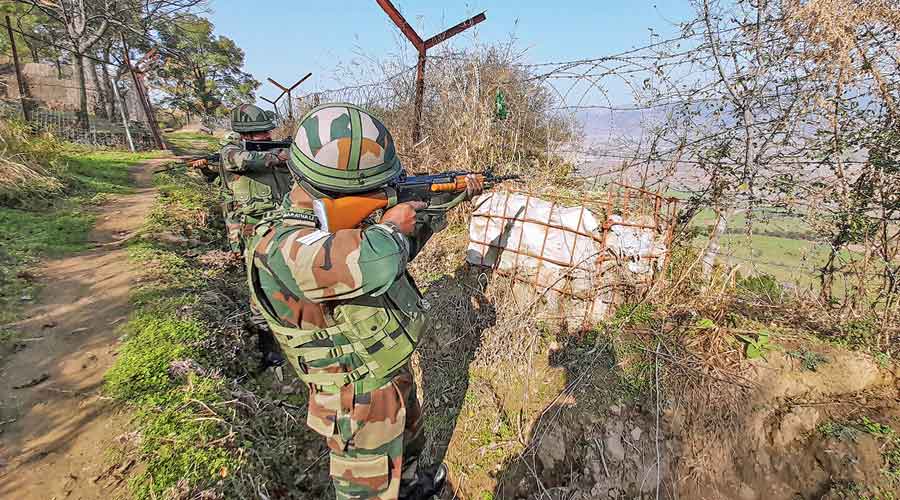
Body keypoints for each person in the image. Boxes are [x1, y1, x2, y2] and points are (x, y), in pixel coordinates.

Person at [245, 103, 482, 500]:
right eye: (376, 191)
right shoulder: (281, 244)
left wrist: (444, 197)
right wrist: (391, 227)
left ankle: (410, 486)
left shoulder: (343, 230)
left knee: (406, 450)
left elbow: (402, 247)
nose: (384, 196)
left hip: (386, 365)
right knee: (368, 488)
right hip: (353, 396)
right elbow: (373, 259)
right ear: (342, 191)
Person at [192, 104, 293, 369]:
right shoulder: (232, 152)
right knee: (260, 289)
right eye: (259, 133)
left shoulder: (275, 150)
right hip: (252, 231)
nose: (266, 136)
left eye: (267, 131)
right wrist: (282, 156)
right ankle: (269, 350)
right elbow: (244, 161)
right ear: (245, 134)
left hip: (285, 225)